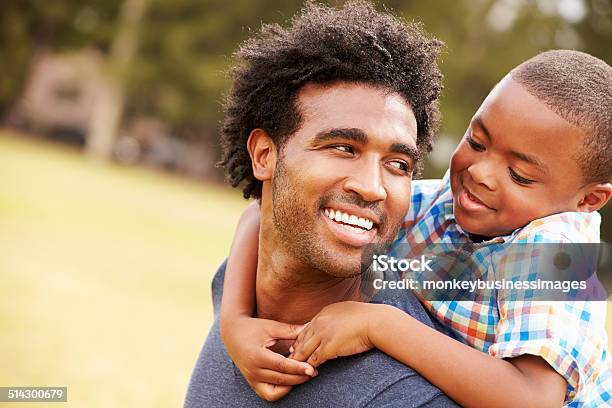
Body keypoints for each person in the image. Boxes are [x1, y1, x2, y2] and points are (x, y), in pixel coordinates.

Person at [222, 50, 612, 406]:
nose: (481, 174)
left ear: (588, 200)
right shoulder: (444, 204)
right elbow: (264, 211)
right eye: (477, 142)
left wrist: (380, 325)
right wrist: (235, 321)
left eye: (519, 174)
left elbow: (531, 400)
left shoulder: (559, 257)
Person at [185, 1, 458, 406]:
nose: (372, 188)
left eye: (398, 164)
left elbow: (568, 269)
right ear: (264, 155)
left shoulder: (408, 393)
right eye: (343, 148)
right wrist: (234, 319)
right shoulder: (235, 286)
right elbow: (258, 213)